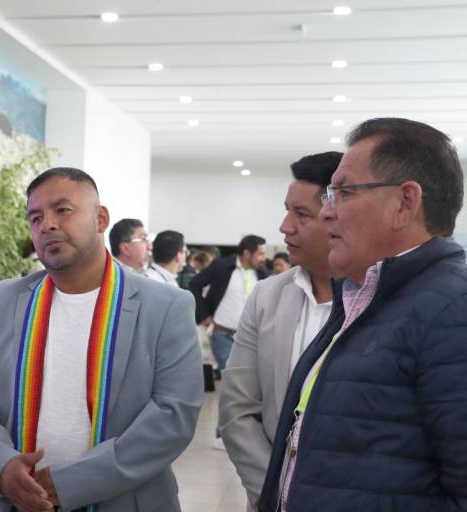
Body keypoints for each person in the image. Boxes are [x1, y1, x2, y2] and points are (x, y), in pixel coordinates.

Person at [0, 167, 203, 511]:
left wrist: (70, 482)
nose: (48, 225)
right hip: (18, 500)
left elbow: (173, 417)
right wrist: (1, 466)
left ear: (101, 219)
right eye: (35, 217)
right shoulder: (4, 300)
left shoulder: (165, 306)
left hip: (123, 501)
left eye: (63, 210)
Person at [259, 119, 467, 511]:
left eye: (343, 193)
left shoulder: (452, 310)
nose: (326, 213)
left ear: (405, 202)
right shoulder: (362, 296)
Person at [218, 151, 342, 510]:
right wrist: (274, 490)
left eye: (302, 214)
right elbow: (237, 409)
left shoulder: (376, 300)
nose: (284, 226)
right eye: (287, 210)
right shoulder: (268, 296)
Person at [189, 235, 268, 376]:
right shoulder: (222, 266)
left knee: (246, 381)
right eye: (260, 254)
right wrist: (203, 315)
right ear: (247, 253)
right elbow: (194, 285)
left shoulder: (262, 273)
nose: (263, 258)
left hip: (250, 339)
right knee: (231, 379)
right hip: (222, 335)